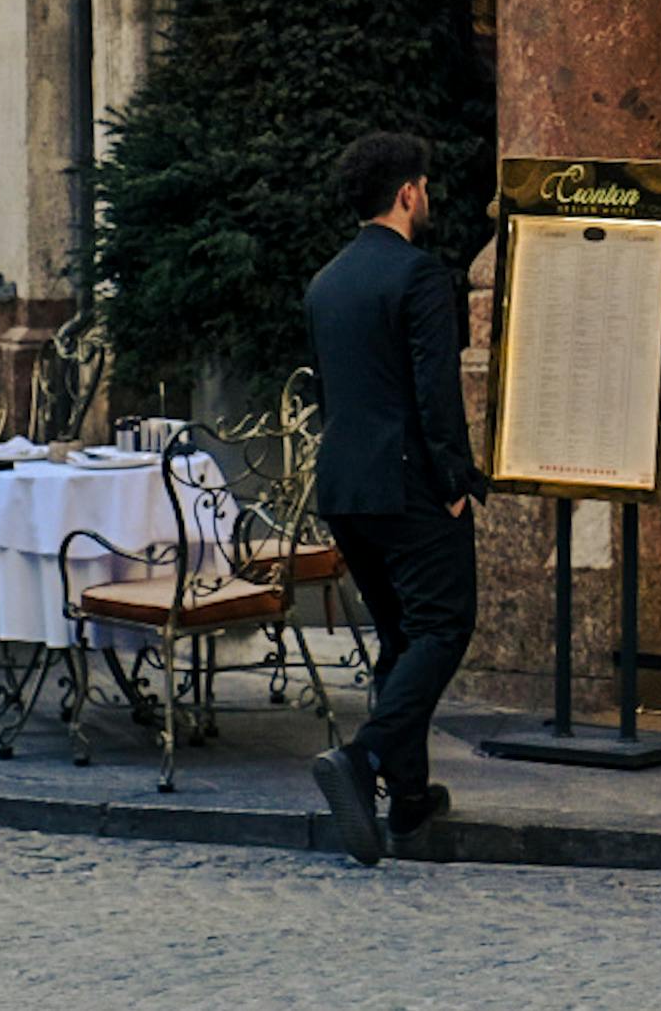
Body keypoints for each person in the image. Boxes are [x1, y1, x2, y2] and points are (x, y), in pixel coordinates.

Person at [302, 130, 482, 868]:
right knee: (443, 628)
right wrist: (455, 482)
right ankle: (366, 759)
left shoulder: (326, 281)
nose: (430, 197)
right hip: (407, 480)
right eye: (427, 187)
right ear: (408, 193)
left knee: (403, 639)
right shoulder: (418, 274)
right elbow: (435, 389)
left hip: (346, 486)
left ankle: (409, 804)